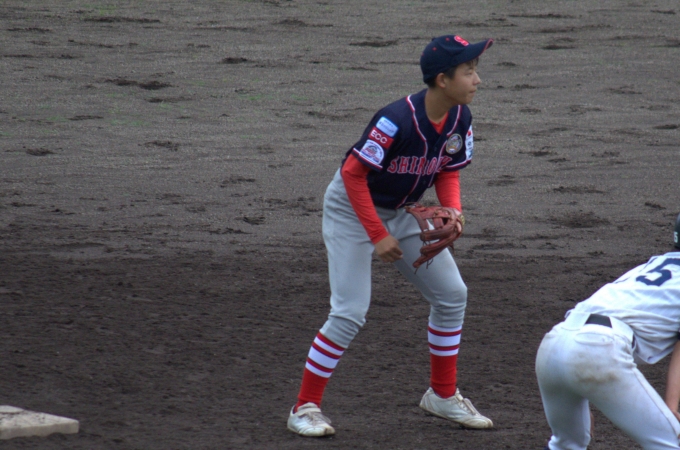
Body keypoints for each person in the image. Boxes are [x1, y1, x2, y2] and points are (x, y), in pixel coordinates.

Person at [286, 34, 494, 437]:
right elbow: (352, 174)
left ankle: (442, 395)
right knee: (349, 311)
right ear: (442, 80)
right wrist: (377, 234)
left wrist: (453, 210)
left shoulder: (459, 118)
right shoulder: (396, 120)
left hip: (400, 211)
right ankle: (304, 407)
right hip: (352, 209)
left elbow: (447, 170)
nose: (477, 79)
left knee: (452, 295)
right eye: (469, 71)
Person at [536, 212, 680, 450]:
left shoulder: (651, 265)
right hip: (598, 349)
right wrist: (671, 408)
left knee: (566, 444)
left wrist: (579, 386)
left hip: (554, 344)